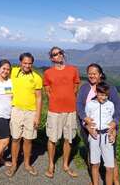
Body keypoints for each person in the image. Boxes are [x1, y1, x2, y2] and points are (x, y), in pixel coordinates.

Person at [77, 63, 120, 185]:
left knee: (112, 156)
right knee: (91, 153)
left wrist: (114, 124)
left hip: (107, 129)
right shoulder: (84, 88)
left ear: (100, 74)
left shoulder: (109, 88)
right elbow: (80, 106)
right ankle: (94, 181)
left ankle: (115, 181)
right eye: (89, 73)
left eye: (94, 73)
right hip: (88, 127)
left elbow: (117, 107)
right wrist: (85, 121)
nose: (92, 76)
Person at [43, 47, 80, 179]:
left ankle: (65, 165)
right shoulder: (48, 73)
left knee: (68, 138)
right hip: (55, 111)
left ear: (63, 55)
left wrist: (67, 97)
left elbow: (76, 86)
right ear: (51, 58)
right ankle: (51, 165)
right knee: (52, 139)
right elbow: (47, 90)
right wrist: (56, 99)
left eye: (60, 53)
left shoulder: (73, 70)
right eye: (55, 54)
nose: (58, 55)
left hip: (70, 110)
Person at [5, 52, 43, 177]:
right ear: (20, 62)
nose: (27, 65)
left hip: (31, 112)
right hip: (16, 110)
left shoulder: (37, 78)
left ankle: (27, 164)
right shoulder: (14, 71)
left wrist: (38, 116)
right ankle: (14, 164)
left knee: (28, 139)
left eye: (30, 63)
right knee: (15, 139)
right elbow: (1, 72)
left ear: (32, 63)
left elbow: (38, 98)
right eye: (25, 63)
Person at [85, 82, 115, 185]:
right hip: (94, 136)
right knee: (95, 164)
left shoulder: (110, 105)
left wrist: (113, 133)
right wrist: (89, 128)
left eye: (106, 95)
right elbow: (86, 122)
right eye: (101, 94)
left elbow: (112, 122)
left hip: (107, 136)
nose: (104, 97)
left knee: (110, 167)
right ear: (96, 92)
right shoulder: (90, 105)